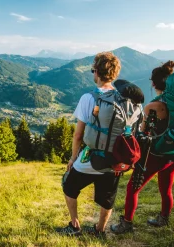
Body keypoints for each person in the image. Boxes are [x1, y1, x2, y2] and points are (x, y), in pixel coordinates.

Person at [57, 51, 127, 236]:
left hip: (90, 158)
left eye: (92, 70)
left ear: (96, 72)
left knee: (69, 186)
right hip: (114, 160)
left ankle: (74, 226)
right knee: (107, 198)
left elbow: (78, 135)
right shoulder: (125, 100)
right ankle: (100, 230)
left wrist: (73, 158)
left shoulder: (89, 98)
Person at [110, 61, 174, 234]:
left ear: (154, 84)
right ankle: (164, 218)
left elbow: (143, 132)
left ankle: (126, 223)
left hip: (156, 154)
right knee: (166, 188)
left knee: (132, 188)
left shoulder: (154, 106)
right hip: (173, 154)